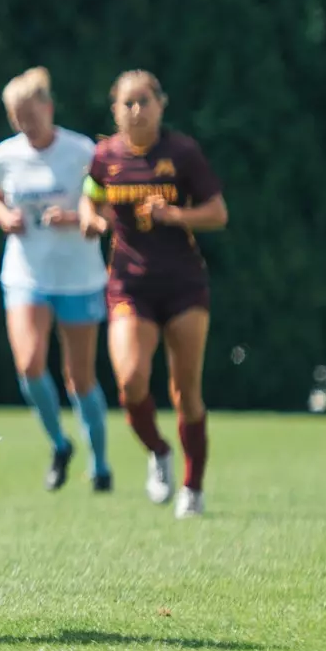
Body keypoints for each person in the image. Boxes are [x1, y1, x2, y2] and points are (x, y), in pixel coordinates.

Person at [78, 70, 227, 518]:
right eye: (128, 103)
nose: (137, 110)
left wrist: (175, 215)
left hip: (183, 285)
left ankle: (193, 487)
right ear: (115, 110)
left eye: (145, 101)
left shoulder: (182, 153)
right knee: (130, 381)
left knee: (186, 391)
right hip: (130, 285)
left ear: (162, 104)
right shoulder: (105, 155)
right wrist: (91, 217)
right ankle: (159, 451)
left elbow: (218, 212)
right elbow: (92, 194)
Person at [0, 67, 112, 493]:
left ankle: (100, 464)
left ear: (48, 107)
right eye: (16, 117)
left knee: (80, 377)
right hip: (26, 273)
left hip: (78, 275)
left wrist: (75, 218)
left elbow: (105, 202)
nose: (24, 124)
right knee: (29, 364)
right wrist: (4, 217)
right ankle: (59, 443)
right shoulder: (5, 156)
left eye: (30, 114)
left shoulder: (81, 151)